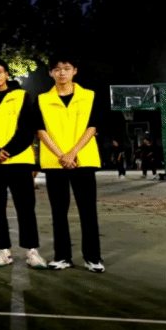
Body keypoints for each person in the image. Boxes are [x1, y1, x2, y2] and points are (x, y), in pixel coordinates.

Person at [35, 55, 106, 272]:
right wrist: (61, 155)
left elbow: (93, 126)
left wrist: (73, 153)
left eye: (67, 68)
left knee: (88, 211)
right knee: (58, 212)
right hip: (55, 162)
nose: (62, 73)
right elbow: (40, 130)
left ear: (75, 70)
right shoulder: (41, 99)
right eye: (57, 69)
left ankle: (93, 258)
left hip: (83, 160)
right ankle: (62, 257)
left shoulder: (89, 96)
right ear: (51, 73)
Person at [0, 58, 46, 269]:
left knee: (26, 208)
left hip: (20, 160)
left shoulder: (22, 96)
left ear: (6, 74)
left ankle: (32, 251)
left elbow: (27, 129)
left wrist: (9, 151)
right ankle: (3, 251)